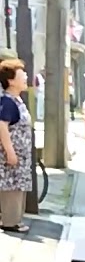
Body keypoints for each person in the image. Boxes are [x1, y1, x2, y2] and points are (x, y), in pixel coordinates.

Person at [0, 58, 32, 234]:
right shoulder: (7, 101)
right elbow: (2, 126)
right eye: (22, 74)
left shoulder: (16, 100)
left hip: (21, 155)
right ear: (11, 80)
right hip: (11, 156)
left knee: (18, 186)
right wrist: (10, 152)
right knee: (11, 187)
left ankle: (15, 220)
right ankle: (9, 221)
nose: (26, 77)